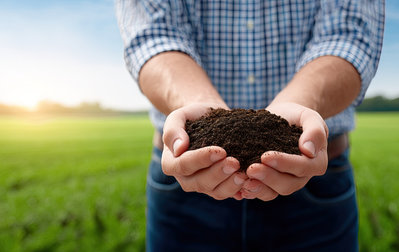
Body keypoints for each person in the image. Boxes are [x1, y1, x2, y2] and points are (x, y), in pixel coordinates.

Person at [116, 0, 384, 251]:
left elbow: (348, 34)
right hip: (186, 169)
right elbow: (152, 34)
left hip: (312, 175)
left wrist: (300, 105)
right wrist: (200, 108)